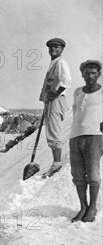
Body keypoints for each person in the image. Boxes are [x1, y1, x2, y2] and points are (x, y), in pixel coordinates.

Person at [69, 60, 102, 223]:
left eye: (94, 73)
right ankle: (83, 206)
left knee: (93, 175)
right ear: (82, 74)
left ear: (99, 74)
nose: (90, 76)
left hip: (95, 136)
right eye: (87, 72)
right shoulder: (77, 92)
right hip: (75, 136)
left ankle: (93, 207)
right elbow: (76, 113)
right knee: (78, 176)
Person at [39, 38, 71, 177]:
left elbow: (66, 81)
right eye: (51, 47)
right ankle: (55, 162)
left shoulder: (61, 62)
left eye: (56, 47)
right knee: (52, 130)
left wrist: (54, 94)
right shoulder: (53, 62)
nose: (53, 49)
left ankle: (56, 164)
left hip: (56, 100)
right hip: (51, 100)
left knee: (54, 131)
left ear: (62, 49)